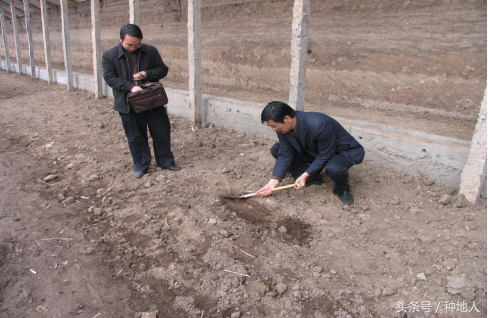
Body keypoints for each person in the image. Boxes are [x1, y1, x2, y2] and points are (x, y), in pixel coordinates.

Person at [102, 24, 181, 179]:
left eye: (137, 44)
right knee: (135, 136)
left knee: (161, 132)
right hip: (128, 103)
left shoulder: (150, 51)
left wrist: (147, 73)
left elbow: (162, 69)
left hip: (152, 100)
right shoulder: (109, 55)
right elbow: (110, 78)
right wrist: (130, 87)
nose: (133, 47)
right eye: (129, 44)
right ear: (120, 40)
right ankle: (141, 164)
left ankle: (166, 161)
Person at [257, 101, 365, 205]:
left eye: (274, 126)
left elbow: (326, 154)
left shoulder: (319, 123)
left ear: (287, 118)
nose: (274, 129)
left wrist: (305, 174)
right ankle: (313, 178)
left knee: (334, 168)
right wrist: (273, 182)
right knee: (277, 149)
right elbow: (285, 153)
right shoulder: (283, 128)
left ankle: (343, 189)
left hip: (340, 151)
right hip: (315, 150)